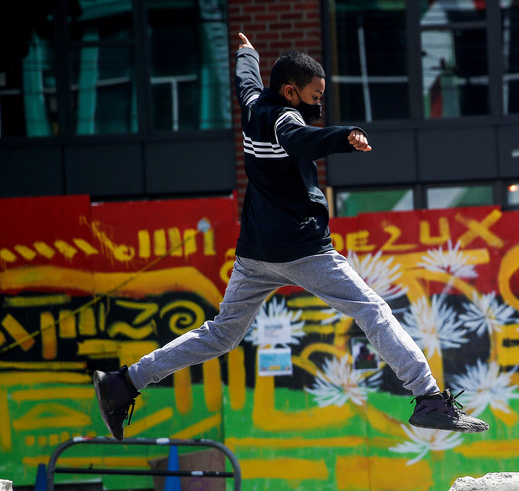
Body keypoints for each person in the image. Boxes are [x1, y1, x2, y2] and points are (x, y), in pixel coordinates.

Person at [92, 32, 488, 440]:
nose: (319, 105)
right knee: (373, 311)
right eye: (315, 96)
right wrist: (342, 136)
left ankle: (123, 383)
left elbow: (246, 82)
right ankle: (428, 399)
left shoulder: (254, 105)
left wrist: (247, 53)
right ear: (290, 92)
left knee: (221, 334)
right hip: (301, 250)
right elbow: (301, 141)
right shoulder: (286, 118)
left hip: (256, 253)